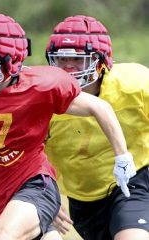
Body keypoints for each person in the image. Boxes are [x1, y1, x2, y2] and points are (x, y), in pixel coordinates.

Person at [0, 13, 135, 240]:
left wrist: (122, 157)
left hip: (36, 182)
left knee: (2, 237)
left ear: (10, 60)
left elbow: (99, 107)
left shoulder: (41, 86)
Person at [45, 15, 149, 240]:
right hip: (82, 200)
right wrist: (45, 197)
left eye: (78, 59)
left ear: (101, 61)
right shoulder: (43, 100)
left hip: (134, 180)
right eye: (61, 58)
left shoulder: (135, 83)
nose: (68, 67)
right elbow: (29, 157)